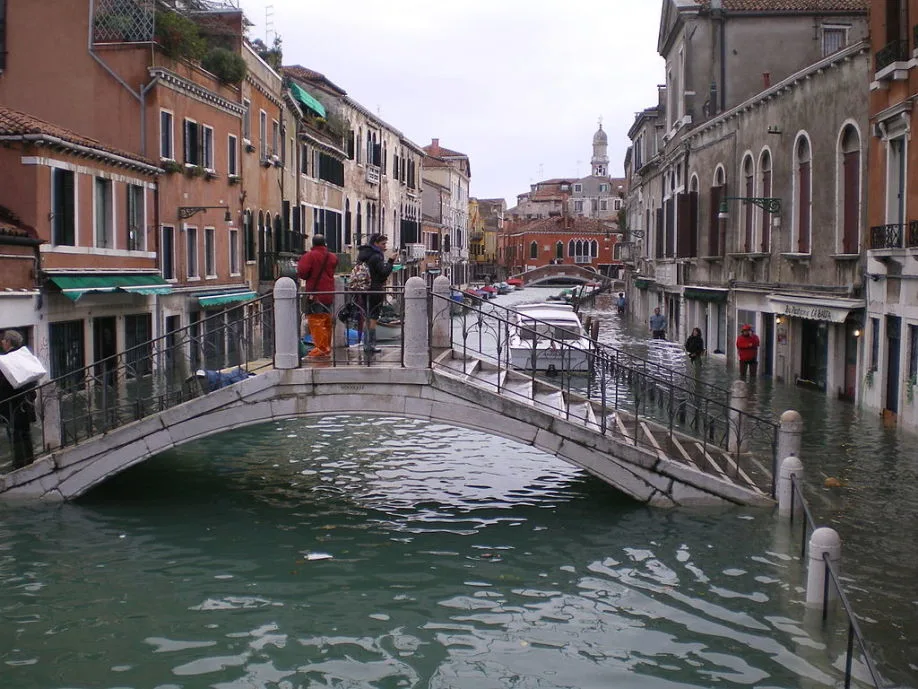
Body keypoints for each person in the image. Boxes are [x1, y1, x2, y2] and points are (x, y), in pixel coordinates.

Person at [0, 330, 37, 469]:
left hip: (12, 403)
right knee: (26, 432)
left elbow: (3, 383)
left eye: (4, 340)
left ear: (9, 342)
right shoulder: (24, 356)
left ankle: (19, 464)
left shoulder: (6, 360)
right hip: (26, 402)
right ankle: (30, 460)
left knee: (15, 433)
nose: (2, 342)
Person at [297, 234, 338, 359]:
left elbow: (302, 273)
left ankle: (321, 348)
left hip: (315, 294)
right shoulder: (332, 257)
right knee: (326, 320)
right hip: (329, 293)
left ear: (313, 244)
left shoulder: (309, 256)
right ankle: (327, 346)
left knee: (316, 320)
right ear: (325, 243)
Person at [356, 233, 398, 354]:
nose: (385, 247)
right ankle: (370, 345)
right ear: (375, 244)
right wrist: (391, 260)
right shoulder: (376, 256)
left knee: (366, 316)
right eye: (383, 244)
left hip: (364, 289)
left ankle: (366, 344)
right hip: (375, 289)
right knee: (373, 317)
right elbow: (383, 272)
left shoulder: (364, 255)